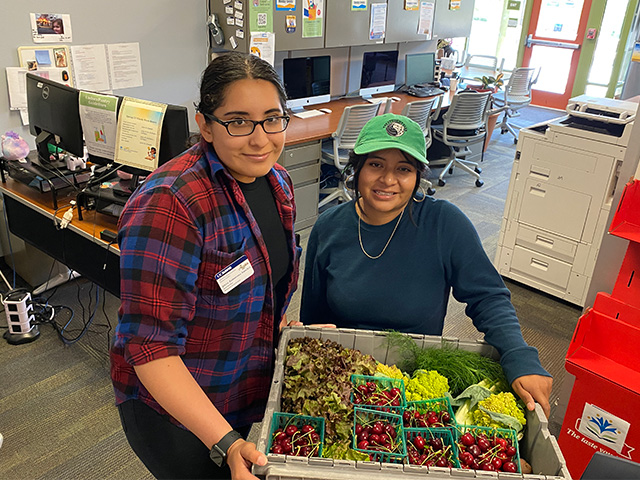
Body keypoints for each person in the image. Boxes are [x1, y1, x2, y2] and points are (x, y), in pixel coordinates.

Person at [110, 52, 300, 480]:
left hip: (241, 379)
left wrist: (289, 329)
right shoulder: (170, 203)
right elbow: (151, 348)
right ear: (206, 124)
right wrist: (228, 441)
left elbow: (265, 282)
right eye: (238, 121)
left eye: (272, 118)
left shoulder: (277, 182)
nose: (260, 138)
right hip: (171, 406)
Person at [300, 113, 553, 417]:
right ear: (358, 169)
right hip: (344, 378)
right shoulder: (328, 227)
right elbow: (312, 318)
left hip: (415, 379)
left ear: (418, 177)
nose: (388, 180)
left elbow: (488, 297)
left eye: (403, 169)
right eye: (376, 164)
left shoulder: (444, 223)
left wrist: (518, 354)